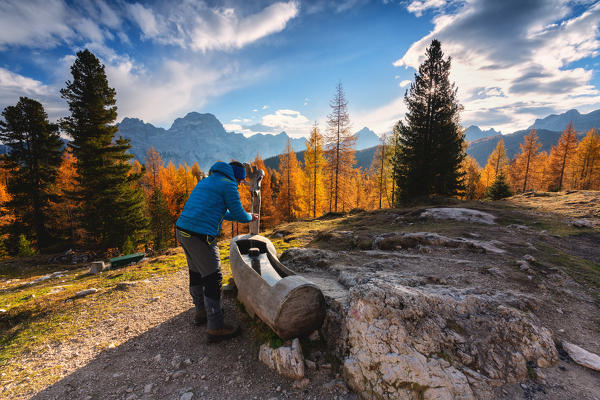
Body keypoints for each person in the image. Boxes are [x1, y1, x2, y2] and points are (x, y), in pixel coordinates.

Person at [176, 160, 258, 343]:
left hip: (182, 230)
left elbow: (220, 210)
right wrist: (250, 217)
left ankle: (201, 312)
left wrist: (242, 215)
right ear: (237, 177)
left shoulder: (208, 180)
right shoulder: (229, 185)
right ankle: (216, 327)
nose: (239, 184)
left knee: (196, 271)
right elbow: (237, 214)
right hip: (200, 235)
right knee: (213, 277)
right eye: (240, 181)